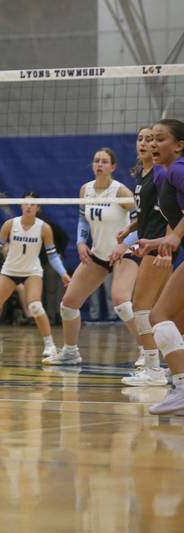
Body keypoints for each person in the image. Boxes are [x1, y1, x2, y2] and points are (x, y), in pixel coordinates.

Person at [45, 148, 137, 365]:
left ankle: (147, 353)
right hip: (99, 255)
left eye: (105, 161)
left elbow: (141, 223)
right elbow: (83, 220)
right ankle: (70, 352)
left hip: (125, 254)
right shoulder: (85, 190)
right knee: (68, 304)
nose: (100, 164)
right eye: (96, 160)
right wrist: (80, 241)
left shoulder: (121, 192)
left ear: (112, 167)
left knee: (121, 302)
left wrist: (125, 245)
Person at [0, 193, 71, 357]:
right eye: (26, 203)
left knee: (35, 306)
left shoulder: (44, 228)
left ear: (38, 208)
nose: (28, 206)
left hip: (32, 271)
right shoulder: (10, 224)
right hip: (10, 271)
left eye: (32, 204)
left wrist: (64, 273)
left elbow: (52, 256)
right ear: (21, 206)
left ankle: (50, 345)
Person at [115, 128, 172, 387]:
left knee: (142, 307)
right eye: (140, 139)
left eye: (151, 139)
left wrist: (165, 248)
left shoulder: (161, 174)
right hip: (150, 243)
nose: (144, 143)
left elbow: (173, 213)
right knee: (162, 311)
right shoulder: (143, 175)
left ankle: (153, 369)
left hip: (159, 247)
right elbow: (146, 212)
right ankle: (168, 366)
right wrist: (130, 229)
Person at [136, 119, 184, 414]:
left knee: (159, 314)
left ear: (179, 145)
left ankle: (180, 387)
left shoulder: (179, 169)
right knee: (177, 323)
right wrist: (157, 241)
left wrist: (176, 237)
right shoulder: (160, 177)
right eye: (150, 139)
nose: (153, 145)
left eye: (160, 139)